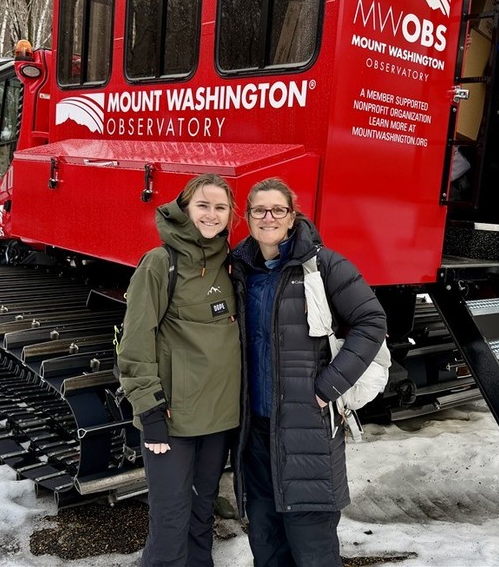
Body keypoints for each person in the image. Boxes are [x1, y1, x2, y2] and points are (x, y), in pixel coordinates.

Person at [231, 177, 387, 567]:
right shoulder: (238, 269)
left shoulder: (323, 265)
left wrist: (330, 386)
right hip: (256, 434)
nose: (268, 217)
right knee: (266, 544)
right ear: (247, 217)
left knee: (312, 547)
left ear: (292, 215)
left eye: (278, 210)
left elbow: (371, 321)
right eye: (259, 210)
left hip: (308, 430)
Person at [116, 173, 241, 567]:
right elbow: (135, 344)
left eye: (220, 207)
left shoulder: (232, 266)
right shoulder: (159, 263)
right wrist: (150, 413)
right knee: (170, 525)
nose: (211, 214)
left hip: (219, 420)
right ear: (185, 208)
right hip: (172, 421)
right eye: (202, 205)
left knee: (201, 519)